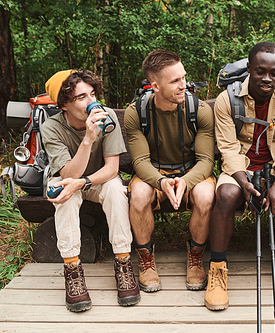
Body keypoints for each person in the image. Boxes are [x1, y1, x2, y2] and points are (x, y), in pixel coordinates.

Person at [205, 42, 275, 311]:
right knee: (226, 194)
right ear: (249, 69)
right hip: (240, 169)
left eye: (274, 72)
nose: (267, 78)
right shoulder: (226, 100)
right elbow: (228, 147)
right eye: (260, 71)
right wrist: (243, 181)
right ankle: (217, 271)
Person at [42, 70, 140, 312]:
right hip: (68, 178)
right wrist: (87, 139)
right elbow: (67, 175)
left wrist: (83, 182)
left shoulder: (107, 118)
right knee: (61, 193)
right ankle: (73, 270)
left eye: (93, 94)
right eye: (82, 97)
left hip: (98, 179)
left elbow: (112, 169)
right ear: (64, 104)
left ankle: (123, 263)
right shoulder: (51, 128)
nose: (91, 101)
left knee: (116, 189)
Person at [124, 49, 215, 293]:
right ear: (155, 86)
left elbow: (206, 160)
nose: (183, 85)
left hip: (192, 171)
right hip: (153, 172)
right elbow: (141, 161)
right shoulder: (137, 113)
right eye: (175, 81)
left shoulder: (200, 110)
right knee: (140, 195)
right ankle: (146, 259)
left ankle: (196, 256)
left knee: (206, 196)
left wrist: (184, 181)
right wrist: (162, 182)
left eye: (183, 77)